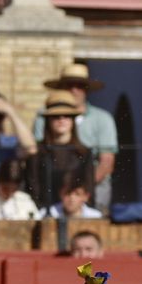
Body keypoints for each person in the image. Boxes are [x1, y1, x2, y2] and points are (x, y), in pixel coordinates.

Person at [37, 63, 117, 212]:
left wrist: (80, 192)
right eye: (68, 85)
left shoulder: (103, 118)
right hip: (53, 182)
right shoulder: (43, 117)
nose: (74, 90)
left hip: (90, 185)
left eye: (79, 86)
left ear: (86, 89)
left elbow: (106, 162)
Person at [25, 89, 91, 213]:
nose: (61, 120)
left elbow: (89, 188)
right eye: (55, 117)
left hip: (76, 215)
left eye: (67, 116)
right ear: (48, 121)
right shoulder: (38, 152)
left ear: (73, 120)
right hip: (44, 214)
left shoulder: (84, 152)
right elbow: (33, 187)